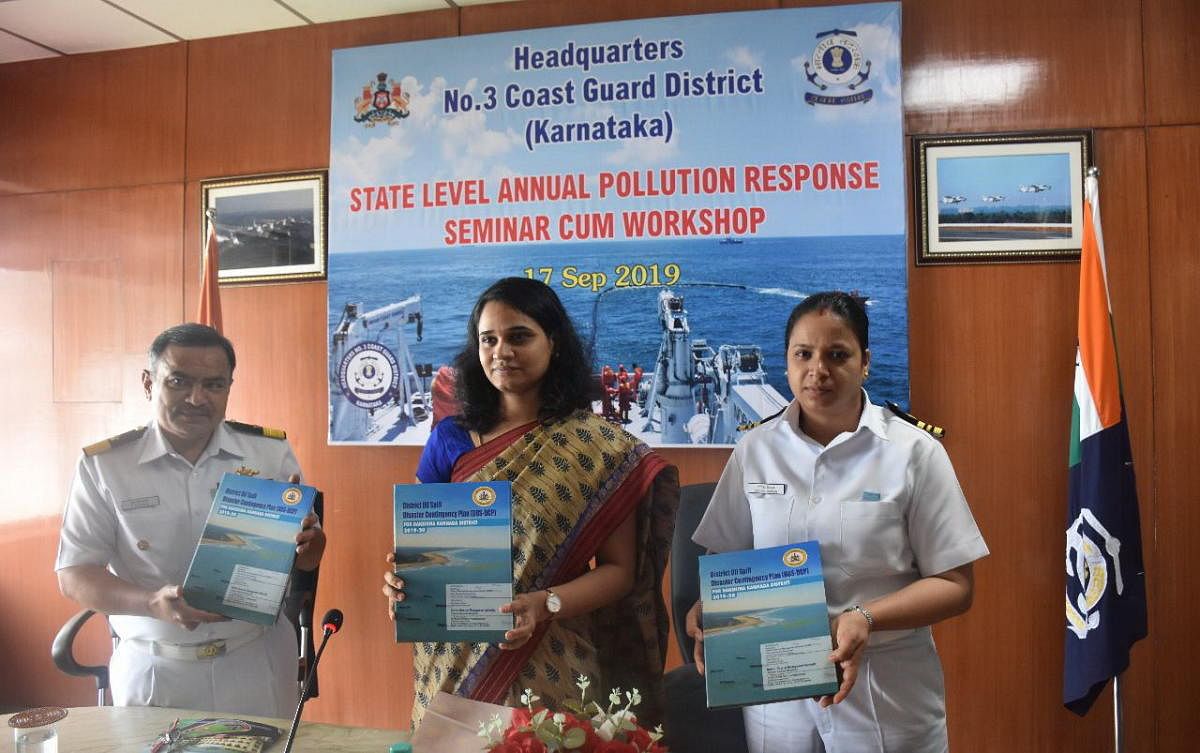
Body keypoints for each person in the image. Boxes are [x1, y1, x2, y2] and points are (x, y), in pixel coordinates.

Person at [686, 292, 988, 753]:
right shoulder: (755, 450)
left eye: (837, 355)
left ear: (865, 362)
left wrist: (865, 617)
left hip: (885, 687)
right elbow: (727, 558)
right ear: (785, 362)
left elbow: (955, 584)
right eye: (802, 354)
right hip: (775, 684)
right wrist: (710, 610)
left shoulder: (913, 452)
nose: (818, 370)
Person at [383, 277, 678, 729]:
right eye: (489, 339)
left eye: (519, 336)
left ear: (554, 342)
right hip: (451, 662)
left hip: (555, 656)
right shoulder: (449, 439)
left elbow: (620, 573)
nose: (501, 351)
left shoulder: (597, 447)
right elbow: (422, 547)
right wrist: (403, 584)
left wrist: (544, 604)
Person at [56, 323, 326, 718]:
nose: (197, 398)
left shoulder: (268, 451)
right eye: (179, 381)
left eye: (214, 385)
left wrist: (312, 546)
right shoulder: (106, 466)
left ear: (229, 388)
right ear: (149, 383)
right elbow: (75, 575)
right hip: (156, 668)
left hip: (254, 660)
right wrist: (150, 602)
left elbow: (303, 558)